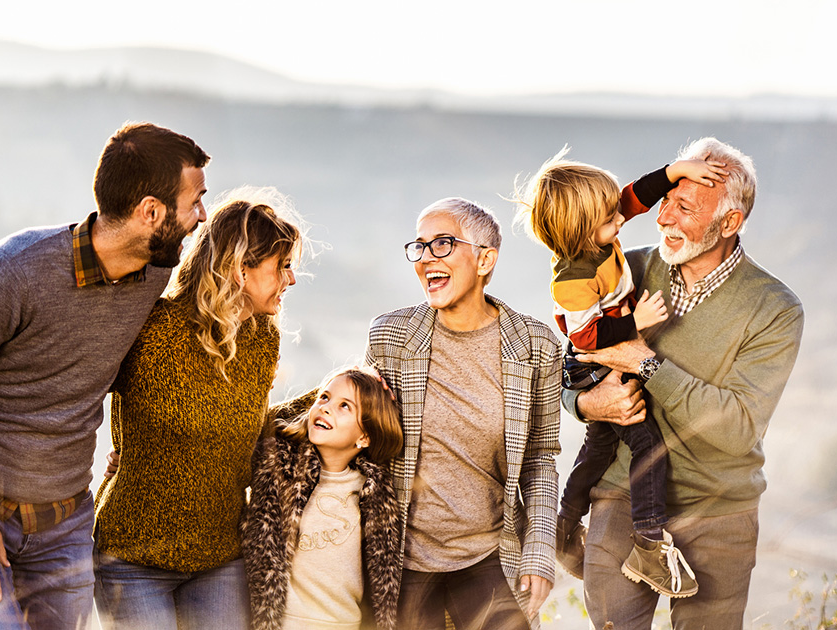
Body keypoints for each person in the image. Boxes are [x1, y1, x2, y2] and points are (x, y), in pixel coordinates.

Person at [0, 122, 209, 629]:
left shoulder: (155, 273)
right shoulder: (14, 272)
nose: (202, 216)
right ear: (150, 213)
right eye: (195, 201)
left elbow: (114, 366)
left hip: (64, 524)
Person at [564, 138, 805, 629]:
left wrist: (645, 362)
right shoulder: (626, 269)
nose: (663, 217)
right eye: (666, 200)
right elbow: (570, 360)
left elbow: (738, 427)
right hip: (621, 497)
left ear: (730, 223)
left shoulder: (776, 309)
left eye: (684, 207)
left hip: (720, 513)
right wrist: (588, 404)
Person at [515, 149, 727, 597]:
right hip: (592, 365)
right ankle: (649, 543)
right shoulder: (572, 277)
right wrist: (636, 322)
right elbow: (588, 338)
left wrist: (676, 172)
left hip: (604, 353)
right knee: (647, 444)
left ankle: (560, 526)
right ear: (580, 230)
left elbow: (634, 197)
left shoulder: (598, 236)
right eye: (610, 218)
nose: (622, 220)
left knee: (598, 448)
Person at [91, 187, 303, 630]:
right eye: (281, 267)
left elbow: (250, 433)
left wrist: (324, 402)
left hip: (220, 556)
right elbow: (76, 394)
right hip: (133, 557)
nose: (291, 280)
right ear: (240, 268)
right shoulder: (152, 328)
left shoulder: (263, 338)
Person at [365, 198, 561, 629]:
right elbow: (361, 437)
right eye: (420, 246)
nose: (426, 259)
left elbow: (541, 459)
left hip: (488, 553)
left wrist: (540, 549)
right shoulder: (390, 339)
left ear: (485, 259)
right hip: (404, 558)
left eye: (443, 244)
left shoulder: (535, 346)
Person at [242, 365, 405, 630]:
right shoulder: (280, 467)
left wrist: (372, 396)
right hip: (283, 624)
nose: (326, 407)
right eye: (324, 397)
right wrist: (328, 398)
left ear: (364, 437)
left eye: (345, 407)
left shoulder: (375, 491)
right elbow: (265, 421)